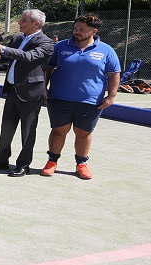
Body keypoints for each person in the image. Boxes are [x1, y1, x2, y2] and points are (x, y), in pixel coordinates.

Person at [41, 13, 120, 180]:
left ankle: (81, 164)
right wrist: (44, 89)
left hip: (90, 101)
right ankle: (52, 162)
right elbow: (47, 69)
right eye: (75, 28)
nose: (76, 31)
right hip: (59, 98)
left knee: (83, 133)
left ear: (94, 31)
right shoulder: (61, 47)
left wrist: (111, 96)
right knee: (58, 131)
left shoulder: (106, 50)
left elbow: (114, 75)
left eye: (81, 29)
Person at [0, 9, 54, 177]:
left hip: (31, 93)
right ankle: (2, 161)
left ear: (36, 24)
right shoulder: (18, 38)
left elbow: (28, 57)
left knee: (27, 131)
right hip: (13, 90)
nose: (19, 23)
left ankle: (23, 165)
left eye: (23, 20)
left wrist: (2, 47)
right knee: (6, 128)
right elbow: (6, 58)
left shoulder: (47, 42)